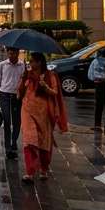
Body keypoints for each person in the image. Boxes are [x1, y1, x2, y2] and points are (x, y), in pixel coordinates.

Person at [19, 51, 68, 181]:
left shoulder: (49, 75)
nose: (30, 63)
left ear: (39, 62)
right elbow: (20, 93)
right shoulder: (28, 75)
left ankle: (43, 168)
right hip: (27, 110)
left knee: (43, 142)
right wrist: (23, 78)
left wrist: (45, 87)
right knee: (29, 139)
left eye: (32, 61)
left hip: (44, 114)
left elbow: (55, 92)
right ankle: (29, 172)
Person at [0, 46, 25, 159]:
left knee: (17, 122)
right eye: (10, 54)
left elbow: (24, 82)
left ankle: (14, 141)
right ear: (7, 53)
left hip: (17, 97)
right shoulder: (2, 65)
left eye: (14, 54)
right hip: (4, 95)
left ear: (18, 53)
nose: (11, 56)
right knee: (7, 121)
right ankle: (8, 148)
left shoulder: (22, 65)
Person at [88, 46, 105, 132]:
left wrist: (95, 79)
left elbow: (90, 75)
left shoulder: (95, 61)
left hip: (98, 85)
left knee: (98, 106)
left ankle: (97, 125)